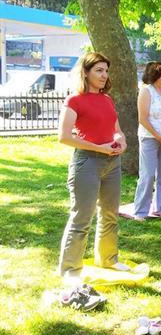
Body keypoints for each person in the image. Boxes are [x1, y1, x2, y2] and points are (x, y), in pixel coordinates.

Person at [57, 52, 129, 286]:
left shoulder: (107, 99)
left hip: (112, 162)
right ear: (85, 72)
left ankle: (108, 259)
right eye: (98, 70)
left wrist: (122, 140)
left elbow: (115, 128)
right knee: (82, 217)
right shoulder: (74, 100)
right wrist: (99, 148)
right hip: (87, 162)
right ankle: (70, 269)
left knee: (110, 214)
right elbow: (65, 137)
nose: (104, 75)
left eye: (106, 71)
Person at [133, 61, 161, 220]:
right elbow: (143, 118)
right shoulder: (147, 92)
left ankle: (159, 208)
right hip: (149, 138)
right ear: (154, 76)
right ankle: (140, 211)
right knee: (148, 174)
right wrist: (158, 137)